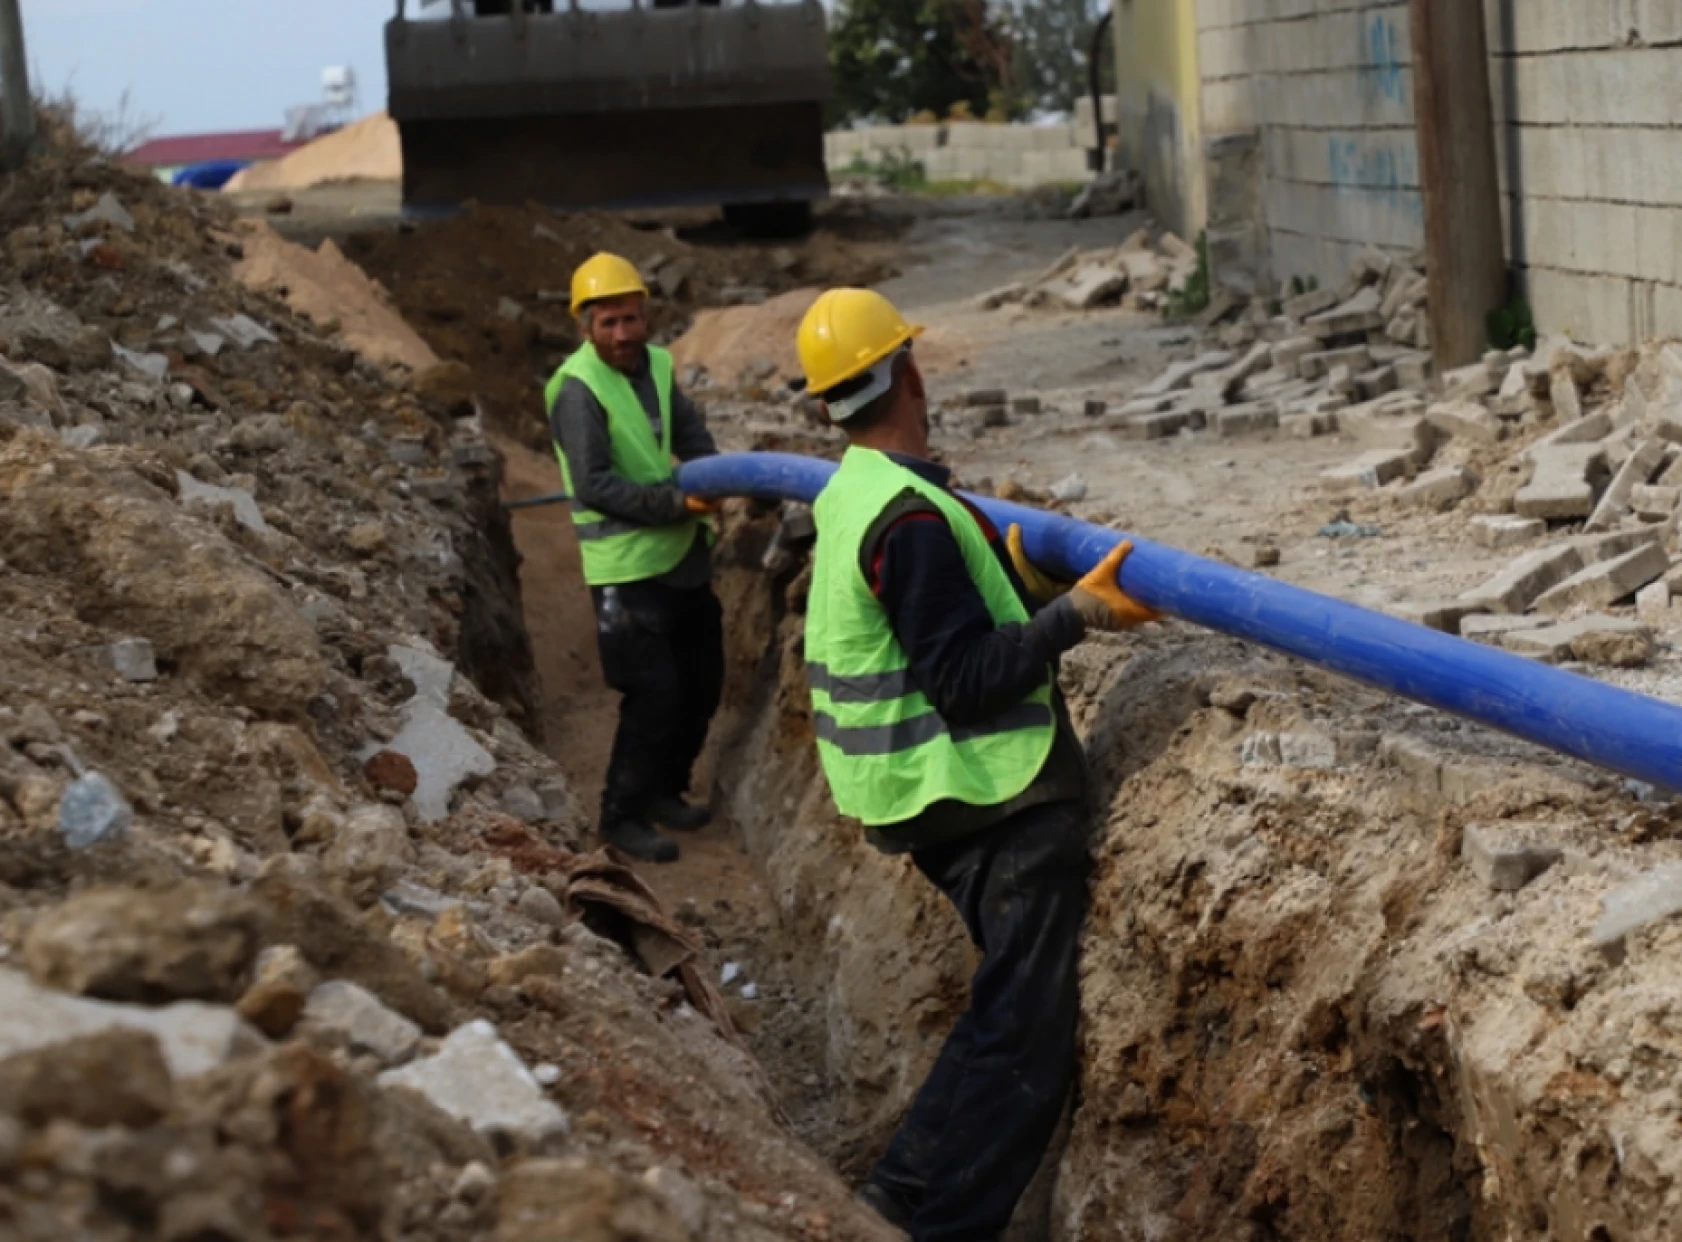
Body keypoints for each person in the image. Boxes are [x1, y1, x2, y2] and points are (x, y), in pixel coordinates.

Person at [794, 287, 1161, 1241]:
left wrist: (1014, 586)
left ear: (828, 404)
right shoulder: (909, 520)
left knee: (1007, 1008)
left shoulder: (857, 491)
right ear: (910, 371)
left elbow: (937, 618)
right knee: (1021, 1039)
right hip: (985, 799)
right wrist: (1072, 616)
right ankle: (934, 1220)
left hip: (929, 799)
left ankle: (900, 1197)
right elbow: (961, 677)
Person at [547, 252, 724, 864]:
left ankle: (664, 791)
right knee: (653, 694)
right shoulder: (578, 390)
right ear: (585, 327)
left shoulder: (656, 366)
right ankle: (620, 814)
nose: (623, 334)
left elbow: (692, 434)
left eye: (630, 319)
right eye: (608, 324)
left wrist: (718, 474)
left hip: (680, 558)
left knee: (701, 684)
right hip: (625, 570)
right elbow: (594, 484)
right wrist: (678, 502)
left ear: (645, 316)